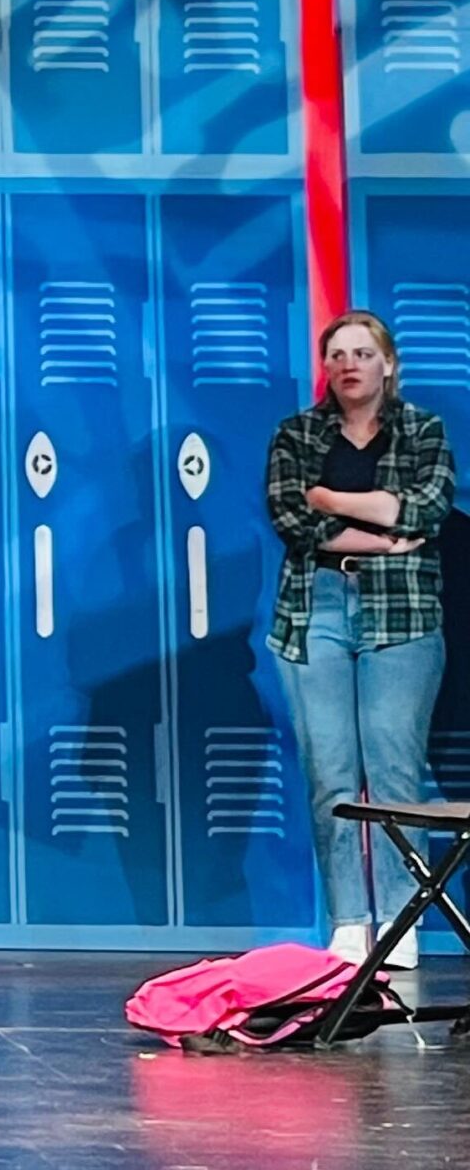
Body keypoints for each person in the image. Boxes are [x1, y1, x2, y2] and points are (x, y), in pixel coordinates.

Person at [264, 310, 455, 970]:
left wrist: (331, 498)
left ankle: (399, 922)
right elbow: (293, 519)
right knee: (332, 776)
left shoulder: (423, 430)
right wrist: (381, 529)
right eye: (337, 353)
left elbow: (429, 507)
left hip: (402, 617)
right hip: (314, 609)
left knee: (396, 770)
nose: (349, 364)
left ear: (387, 365)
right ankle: (350, 922)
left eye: (362, 353)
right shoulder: (296, 434)